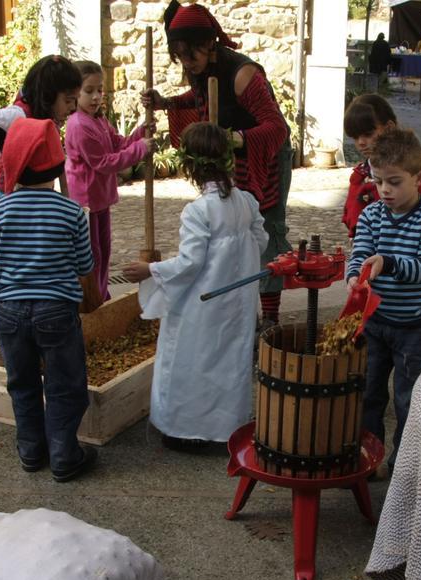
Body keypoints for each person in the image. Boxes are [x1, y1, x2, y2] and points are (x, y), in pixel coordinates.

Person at [141, 1, 292, 329]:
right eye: (179, 55)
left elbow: (276, 128)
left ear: (208, 44)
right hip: (234, 150)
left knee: (265, 229)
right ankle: (242, 313)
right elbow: (201, 100)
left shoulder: (243, 75)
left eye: (189, 54)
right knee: (234, 228)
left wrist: (234, 139)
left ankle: (270, 321)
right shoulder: (200, 68)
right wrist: (166, 103)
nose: (185, 62)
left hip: (265, 153)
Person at [122, 122, 267, 451]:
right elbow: (260, 239)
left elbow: (189, 263)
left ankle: (187, 429)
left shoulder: (198, 211)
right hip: (237, 300)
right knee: (230, 360)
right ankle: (228, 427)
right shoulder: (245, 201)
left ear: (189, 166)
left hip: (203, 302)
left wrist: (151, 269)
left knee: (193, 359)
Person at [0, 117, 100, 482]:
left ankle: (31, 450)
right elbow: (84, 264)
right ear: (58, 164)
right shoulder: (70, 211)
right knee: (65, 384)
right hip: (56, 311)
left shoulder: (0, 210)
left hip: (9, 310)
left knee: (22, 382)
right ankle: (64, 455)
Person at [346, 128, 421, 473]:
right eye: (378, 182)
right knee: (368, 395)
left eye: (394, 182)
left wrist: (387, 263)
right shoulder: (372, 215)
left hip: (416, 329)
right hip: (375, 324)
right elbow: (360, 251)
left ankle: (403, 466)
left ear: (419, 178)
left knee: (410, 400)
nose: (385, 190)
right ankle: (368, 459)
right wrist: (353, 275)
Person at [65, 61, 153, 302]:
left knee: (103, 251)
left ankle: (101, 293)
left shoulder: (98, 120)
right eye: (89, 91)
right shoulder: (79, 125)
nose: (95, 97)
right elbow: (103, 162)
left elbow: (117, 144)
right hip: (85, 201)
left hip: (100, 199)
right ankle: (91, 299)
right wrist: (140, 150)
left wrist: (140, 133)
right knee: (91, 254)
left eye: (99, 90)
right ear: (76, 93)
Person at [0, 55, 82, 202]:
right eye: (68, 101)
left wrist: (69, 203)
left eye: (75, 100)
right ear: (48, 96)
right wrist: (9, 152)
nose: (73, 107)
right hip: (8, 198)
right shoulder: (18, 115)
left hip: (37, 198)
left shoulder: (50, 119)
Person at [341, 94, 421, 238]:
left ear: (389, 127)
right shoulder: (360, 174)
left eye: (368, 134)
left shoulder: (408, 173)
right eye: (355, 137)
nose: (361, 142)